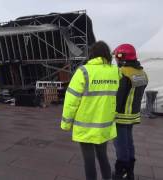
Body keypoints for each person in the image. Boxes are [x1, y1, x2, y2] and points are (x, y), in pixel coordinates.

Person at [61, 41, 120, 180]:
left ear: (91, 54)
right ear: (107, 54)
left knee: (89, 160)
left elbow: (71, 100)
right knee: (103, 156)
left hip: (85, 125)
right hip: (104, 125)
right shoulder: (115, 72)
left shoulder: (83, 71)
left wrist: (66, 123)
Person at [112, 44, 148, 180]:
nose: (116, 59)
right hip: (132, 115)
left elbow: (118, 98)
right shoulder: (142, 73)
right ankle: (130, 171)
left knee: (121, 145)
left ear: (122, 57)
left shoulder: (122, 73)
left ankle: (122, 173)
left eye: (117, 57)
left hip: (121, 116)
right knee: (129, 142)